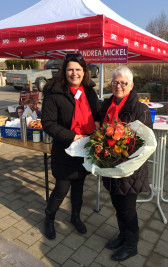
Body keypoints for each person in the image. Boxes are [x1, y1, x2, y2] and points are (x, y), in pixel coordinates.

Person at [41, 53, 100, 240]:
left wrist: (99, 124)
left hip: (85, 149)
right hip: (65, 149)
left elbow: (97, 113)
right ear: (64, 71)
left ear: (84, 72)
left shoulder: (90, 92)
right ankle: (49, 218)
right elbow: (48, 123)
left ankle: (75, 217)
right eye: (70, 69)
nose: (74, 73)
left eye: (78, 69)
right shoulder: (55, 93)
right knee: (61, 189)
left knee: (79, 187)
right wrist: (72, 136)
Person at [99, 66, 153, 261]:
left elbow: (146, 141)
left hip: (130, 170)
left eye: (123, 83)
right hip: (111, 166)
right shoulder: (107, 105)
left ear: (131, 85)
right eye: (115, 82)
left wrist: (121, 147)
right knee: (116, 203)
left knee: (128, 209)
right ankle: (122, 236)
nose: (119, 86)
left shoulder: (140, 109)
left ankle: (131, 245)